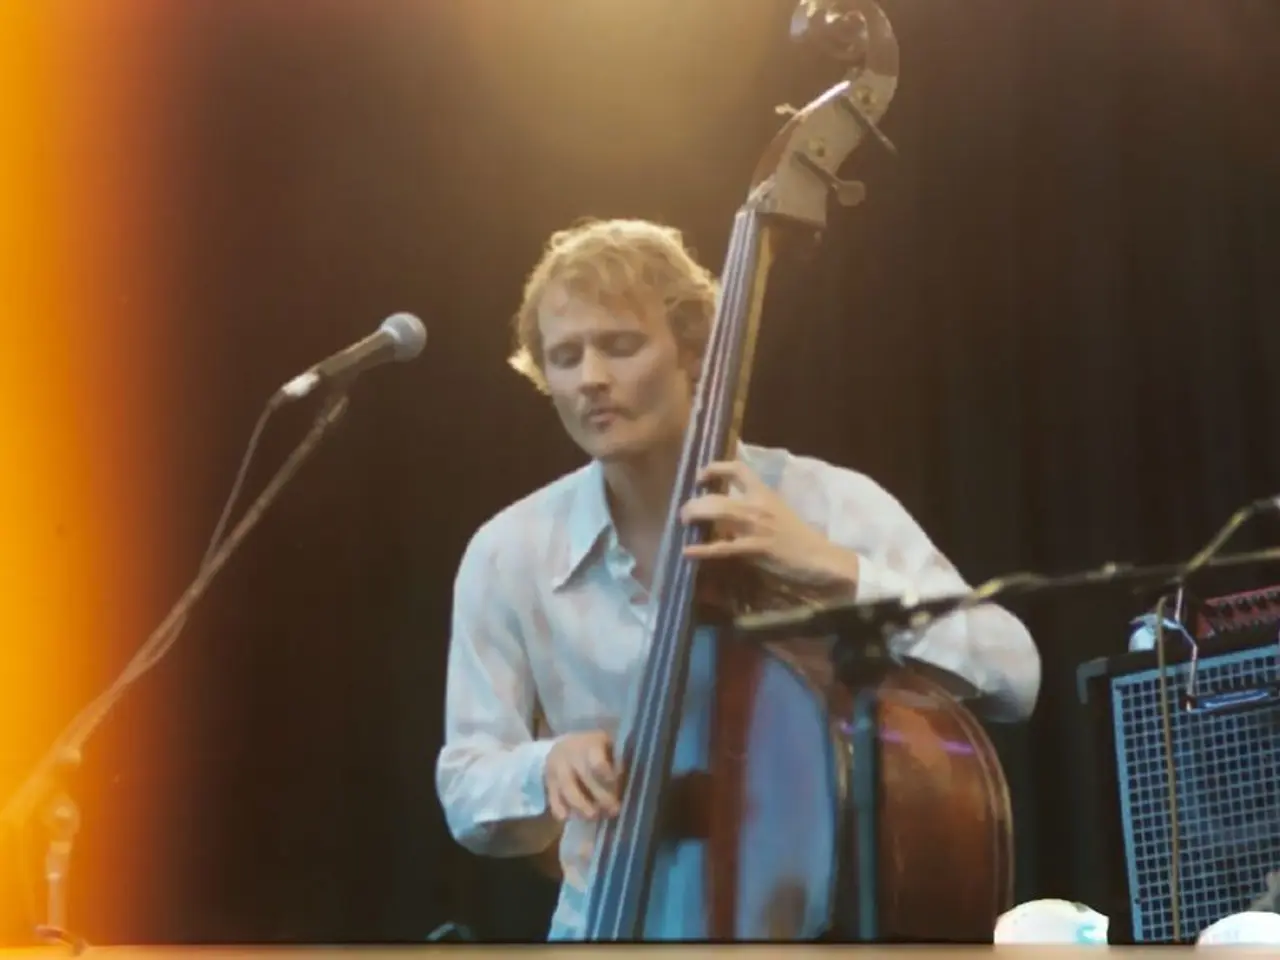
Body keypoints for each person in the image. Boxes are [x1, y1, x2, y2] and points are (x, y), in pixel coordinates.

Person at [434, 217, 1041, 941]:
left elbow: (1015, 672)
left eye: (620, 345)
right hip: (606, 929)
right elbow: (466, 783)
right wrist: (545, 764)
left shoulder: (823, 501)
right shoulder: (508, 552)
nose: (590, 376)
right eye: (564, 357)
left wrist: (835, 570)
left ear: (694, 349)